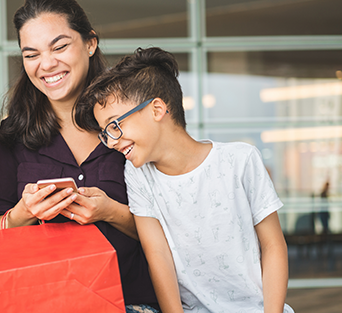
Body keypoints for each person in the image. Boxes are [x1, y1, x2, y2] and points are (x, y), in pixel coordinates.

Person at [81, 47, 294, 312]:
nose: (111, 142)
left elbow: (273, 245)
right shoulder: (137, 176)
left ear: (157, 109)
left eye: (114, 126)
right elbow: (159, 257)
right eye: (105, 133)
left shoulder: (241, 160)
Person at [0, 0, 159, 312]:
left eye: (59, 46)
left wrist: (110, 212)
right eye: (32, 54)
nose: (47, 64)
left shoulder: (131, 127)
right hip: (41, 304)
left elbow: (172, 228)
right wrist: (22, 213)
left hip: (131, 303)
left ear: (90, 43)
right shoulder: (11, 137)